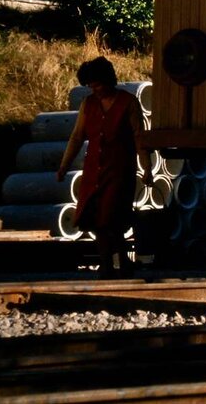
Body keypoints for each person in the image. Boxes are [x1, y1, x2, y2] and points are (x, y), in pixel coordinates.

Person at [57, 57, 149, 279]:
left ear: (108, 81)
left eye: (97, 85)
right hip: (93, 171)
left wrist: (146, 169)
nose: (94, 90)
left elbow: (139, 137)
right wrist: (64, 166)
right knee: (95, 220)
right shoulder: (88, 104)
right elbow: (77, 136)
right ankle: (107, 264)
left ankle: (123, 262)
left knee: (112, 219)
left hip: (119, 171)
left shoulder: (128, 102)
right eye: (91, 86)